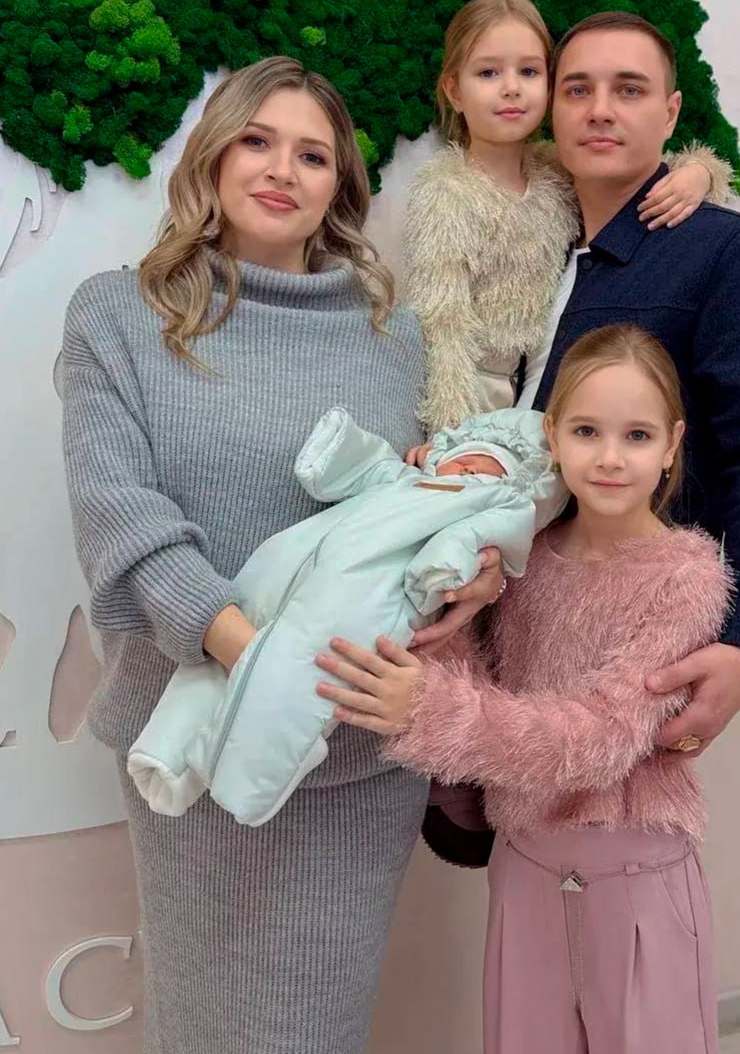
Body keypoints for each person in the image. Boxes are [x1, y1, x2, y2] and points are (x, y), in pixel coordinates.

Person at [61, 56, 502, 1054]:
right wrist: (252, 657)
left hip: (356, 746)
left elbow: (426, 507)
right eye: (257, 140)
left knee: (317, 1024)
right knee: (206, 1023)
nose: (280, 169)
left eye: (311, 154)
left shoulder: (395, 337)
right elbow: (117, 512)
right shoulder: (118, 314)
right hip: (193, 740)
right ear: (213, 156)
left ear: (339, 185)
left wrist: (473, 572)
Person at [317, 324, 733, 1053]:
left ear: (671, 445)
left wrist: (428, 709)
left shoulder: (685, 576)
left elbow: (600, 739)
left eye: (636, 436)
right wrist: (441, 510)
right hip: (525, 862)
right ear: (552, 436)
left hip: (634, 869)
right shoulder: (520, 555)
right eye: (586, 431)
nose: (609, 457)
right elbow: (471, 670)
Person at [521, 11, 740, 752]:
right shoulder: (529, 251)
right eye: (577, 89)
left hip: (629, 650)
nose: (599, 109)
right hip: (514, 617)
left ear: (671, 112)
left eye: (629, 89)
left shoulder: (724, 252)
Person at [126, 406, 566, 825]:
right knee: (214, 667)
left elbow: (476, 538)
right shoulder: (405, 478)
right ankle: (164, 756)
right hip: (278, 568)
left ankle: (248, 783)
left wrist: (446, 566)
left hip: (362, 595)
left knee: (301, 685)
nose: (468, 470)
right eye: (464, 458)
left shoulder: (489, 502)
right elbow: (364, 467)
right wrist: (336, 446)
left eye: (486, 466)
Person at [404, 0, 732, 433]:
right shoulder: (447, 194)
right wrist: (449, 439)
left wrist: (699, 173)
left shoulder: (558, 173)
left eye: (529, 71)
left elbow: (644, 176)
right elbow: (441, 327)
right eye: (488, 73)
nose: (511, 89)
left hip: (548, 389)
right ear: (454, 90)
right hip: (471, 399)